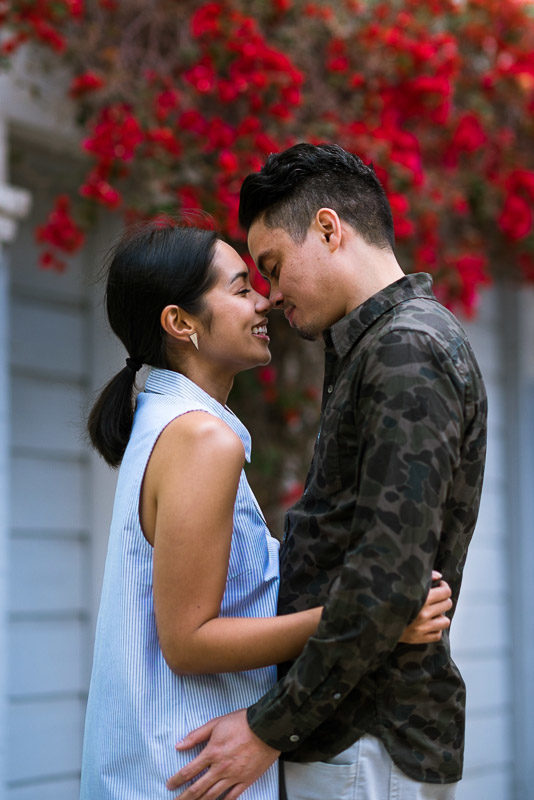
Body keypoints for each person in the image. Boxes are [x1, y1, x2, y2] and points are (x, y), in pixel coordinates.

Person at [80, 221, 449, 800]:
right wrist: (375, 620)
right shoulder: (203, 441)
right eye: (239, 289)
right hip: (187, 772)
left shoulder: (168, 423)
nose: (264, 301)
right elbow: (188, 642)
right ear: (180, 323)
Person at [166, 144, 488, 800]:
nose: (271, 293)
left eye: (274, 267)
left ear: (329, 228)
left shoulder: (406, 351)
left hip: (369, 741)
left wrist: (265, 730)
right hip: (353, 742)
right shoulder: (377, 345)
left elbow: (385, 584)